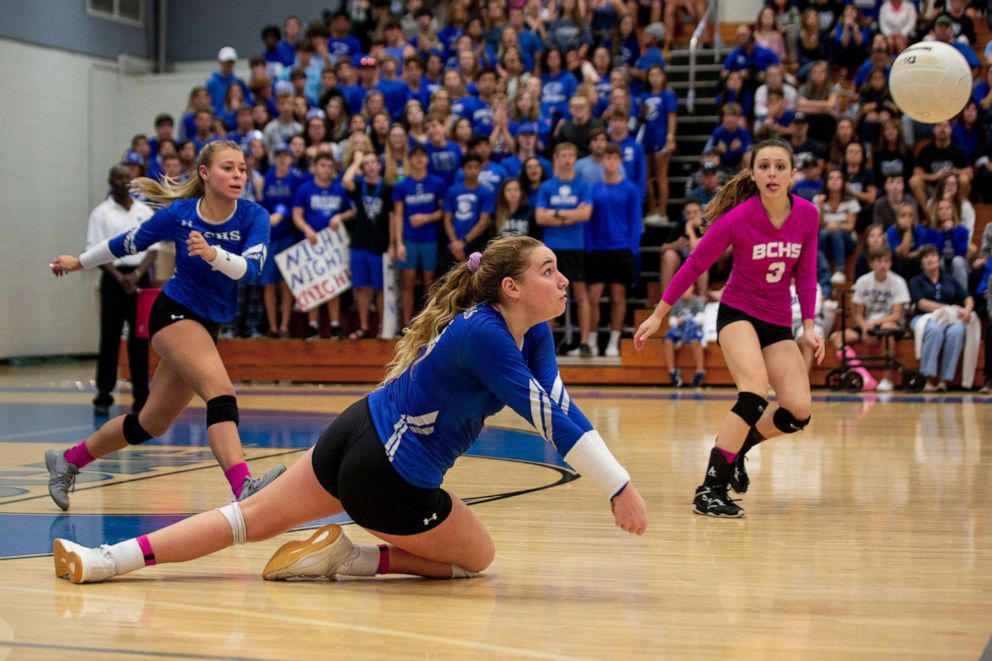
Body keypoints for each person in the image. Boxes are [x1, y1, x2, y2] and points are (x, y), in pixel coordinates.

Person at [52, 236, 648, 585]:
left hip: (354, 430)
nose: (564, 279)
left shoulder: (531, 331)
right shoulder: (487, 335)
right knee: (477, 559)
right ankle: (355, 556)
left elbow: (558, 403)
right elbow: (553, 422)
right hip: (389, 482)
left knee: (245, 518)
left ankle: (104, 560)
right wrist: (618, 486)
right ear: (511, 288)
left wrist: (613, 477)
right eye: (549, 271)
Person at [46, 140, 286, 511]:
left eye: (242, 168)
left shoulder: (253, 216)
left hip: (208, 324)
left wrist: (214, 254)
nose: (238, 175)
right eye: (228, 168)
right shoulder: (181, 214)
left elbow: (250, 270)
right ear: (204, 173)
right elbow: (126, 243)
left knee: (150, 423)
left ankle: (68, 461)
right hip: (173, 313)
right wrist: (79, 262)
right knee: (221, 392)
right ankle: (243, 486)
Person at [634, 138, 824, 518]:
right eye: (764, 166)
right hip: (737, 313)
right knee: (753, 395)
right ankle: (710, 489)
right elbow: (694, 264)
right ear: (753, 174)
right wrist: (659, 314)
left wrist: (808, 324)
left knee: (798, 411)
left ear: (791, 175)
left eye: (780, 166)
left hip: (777, 320)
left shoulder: (807, 215)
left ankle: (738, 449)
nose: (772, 173)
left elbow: (805, 272)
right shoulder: (738, 218)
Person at [86, 165, 157, 416]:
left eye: (127, 177)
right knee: (110, 338)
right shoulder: (101, 213)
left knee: (140, 340)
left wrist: (137, 275)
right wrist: (120, 277)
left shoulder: (145, 211)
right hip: (113, 279)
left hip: (140, 279)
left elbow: (154, 248)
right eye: (118, 177)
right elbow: (97, 251)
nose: (123, 181)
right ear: (110, 180)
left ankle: (141, 396)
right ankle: (103, 395)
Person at [536, 142, 594, 357]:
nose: (567, 159)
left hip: (575, 246)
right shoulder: (547, 186)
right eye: (563, 155)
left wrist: (555, 214)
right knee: (548, 294)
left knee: (580, 293)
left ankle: (585, 342)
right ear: (556, 158)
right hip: (552, 248)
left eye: (571, 155)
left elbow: (586, 214)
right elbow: (540, 217)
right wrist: (570, 214)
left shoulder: (583, 185)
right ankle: (546, 345)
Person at [586, 145, 641, 358]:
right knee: (593, 297)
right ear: (602, 162)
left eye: (614, 158)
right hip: (597, 249)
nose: (610, 162)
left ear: (619, 161)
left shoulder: (630, 189)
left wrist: (632, 248)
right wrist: (589, 246)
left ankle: (613, 341)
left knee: (619, 297)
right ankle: (591, 340)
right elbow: (588, 221)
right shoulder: (594, 189)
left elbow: (635, 220)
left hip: (621, 249)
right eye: (606, 158)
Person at [832, 246, 910, 392]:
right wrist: (865, 327)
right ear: (872, 264)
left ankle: (887, 379)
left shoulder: (898, 282)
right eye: (879, 261)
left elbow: (896, 315)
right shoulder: (863, 281)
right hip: (868, 322)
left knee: (888, 328)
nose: (883, 265)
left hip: (889, 323)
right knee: (837, 337)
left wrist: (873, 324)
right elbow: (857, 313)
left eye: (886, 261)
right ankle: (862, 374)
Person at [342, 150, 394, 339]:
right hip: (359, 243)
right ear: (363, 168)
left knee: (379, 289)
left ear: (380, 166)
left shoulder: (388, 188)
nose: (371, 166)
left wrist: (393, 243)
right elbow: (346, 180)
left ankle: (382, 326)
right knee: (361, 288)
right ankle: (364, 327)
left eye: (374, 162)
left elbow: (392, 217)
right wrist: (356, 160)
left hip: (379, 245)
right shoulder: (358, 185)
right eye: (367, 164)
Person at [909, 245, 974, 392]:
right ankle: (928, 378)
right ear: (921, 263)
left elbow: (967, 297)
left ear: (939, 259)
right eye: (926, 257)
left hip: (949, 318)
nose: (930, 259)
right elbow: (921, 303)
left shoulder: (949, 279)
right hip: (924, 317)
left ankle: (944, 380)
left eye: (933, 255)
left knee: (957, 331)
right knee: (934, 330)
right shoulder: (916, 281)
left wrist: (967, 311)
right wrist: (945, 308)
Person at [663, 289, 706, 387]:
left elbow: (701, 318)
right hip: (680, 330)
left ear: (692, 288)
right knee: (667, 339)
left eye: (687, 289)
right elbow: (671, 320)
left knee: (695, 341)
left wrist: (686, 319)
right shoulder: (677, 302)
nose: (684, 291)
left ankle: (700, 371)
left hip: (693, 329)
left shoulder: (697, 300)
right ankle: (672, 372)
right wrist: (678, 321)